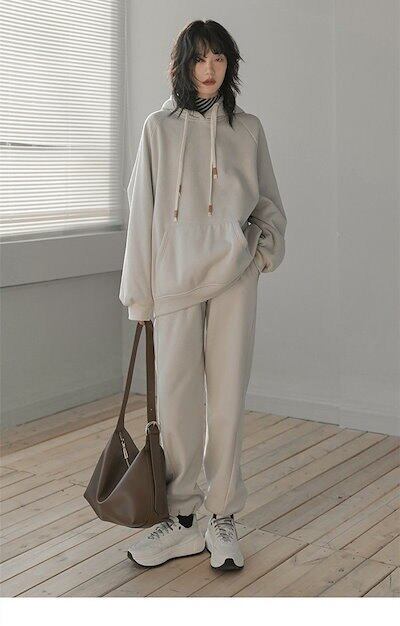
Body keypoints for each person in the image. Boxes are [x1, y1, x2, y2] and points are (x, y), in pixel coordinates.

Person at [119, 19, 287, 570]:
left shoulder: (249, 129)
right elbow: (141, 213)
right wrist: (139, 294)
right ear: (183, 65)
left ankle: (222, 514)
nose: (209, 69)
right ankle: (182, 518)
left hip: (234, 280)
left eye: (218, 58)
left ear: (229, 63)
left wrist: (260, 254)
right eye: (199, 58)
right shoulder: (157, 129)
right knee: (177, 404)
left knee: (229, 397)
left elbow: (268, 205)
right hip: (173, 283)